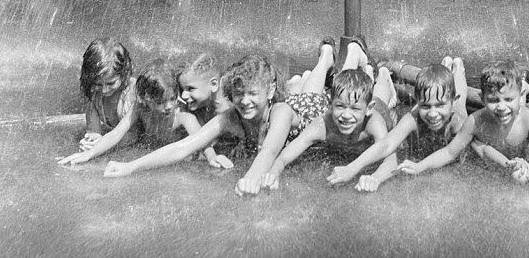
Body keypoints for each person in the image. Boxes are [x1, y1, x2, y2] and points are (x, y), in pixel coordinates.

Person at [103, 41, 352, 195]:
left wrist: (249, 180)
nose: (245, 101)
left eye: (253, 93)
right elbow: (183, 146)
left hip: (311, 112)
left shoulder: (280, 112)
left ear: (270, 92)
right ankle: (322, 61)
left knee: (313, 94)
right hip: (290, 102)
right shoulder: (232, 117)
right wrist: (131, 166)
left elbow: (269, 151)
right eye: (240, 93)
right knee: (303, 90)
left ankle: (338, 58)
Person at [399, 59, 529, 188]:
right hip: (517, 118)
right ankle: (527, 82)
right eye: (493, 100)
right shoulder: (475, 121)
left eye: (508, 99)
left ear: (518, 97)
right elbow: (449, 151)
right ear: (482, 99)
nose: (501, 107)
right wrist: (419, 167)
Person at [326, 60, 468, 191]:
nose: (432, 113)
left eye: (440, 105)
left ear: (451, 102)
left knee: (460, 103)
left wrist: (420, 166)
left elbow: (450, 152)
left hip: (456, 111)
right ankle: (445, 73)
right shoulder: (412, 119)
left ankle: (458, 68)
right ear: (417, 102)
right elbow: (386, 144)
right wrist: (352, 168)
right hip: (423, 111)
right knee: (428, 106)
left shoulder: (459, 123)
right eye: (425, 106)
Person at [262, 65, 400, 193]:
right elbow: (285, 157)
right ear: (330, 104)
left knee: (381, 97)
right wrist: (275, 171)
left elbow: (390, 159)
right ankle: (367, 72)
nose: (346, 115)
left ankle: (383, 75)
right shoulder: (322, 124)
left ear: (367, 109)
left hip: (381, 109)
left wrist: (373, 178)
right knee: (357, 95)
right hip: (358, 103)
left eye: (355, 109)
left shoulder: (373, 122)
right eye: (340, 106)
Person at [59, 62, 184, 166]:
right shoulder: (139, 106)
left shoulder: (183, 114)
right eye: (160, 101)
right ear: (146, 98)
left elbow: (199, 142)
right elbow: (116, 133)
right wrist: (89, 154)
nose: (168, 106)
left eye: (173, 99)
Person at [72, 38, 134, 152]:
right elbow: (93, 132)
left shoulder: (132, 93)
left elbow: (135, 135)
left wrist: (103, 145)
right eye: (98, 84)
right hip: (118, 139)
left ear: (124, 73)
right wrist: (89, 142)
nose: (104, 90)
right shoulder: (95, 96)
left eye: (111, 83)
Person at [175, 53, 234, 169]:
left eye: (190, 88)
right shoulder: (194, 106)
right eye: (182, 89)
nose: (184, 95)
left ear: (213, 84)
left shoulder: (231, 109)